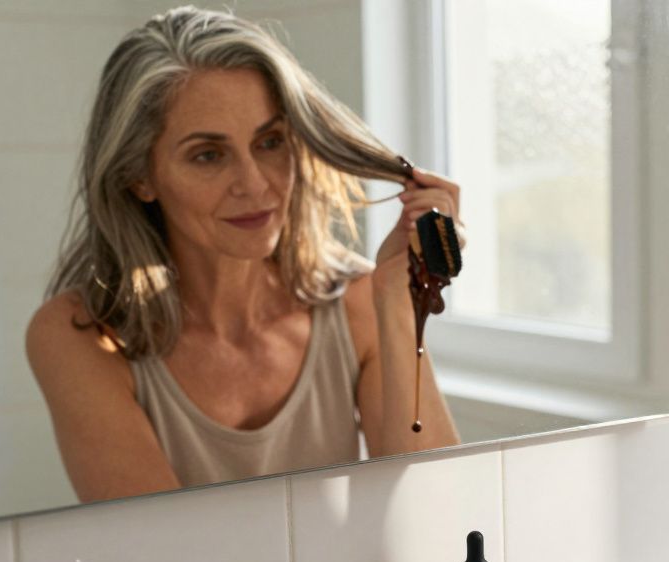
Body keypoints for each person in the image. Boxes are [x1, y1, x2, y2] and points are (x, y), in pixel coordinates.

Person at [26, 6, 461, 503]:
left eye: (270, 141)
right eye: (208, 155)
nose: (255, 184)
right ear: (139, 176)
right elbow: (159, 558)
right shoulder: (79, 335)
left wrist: (398, 300)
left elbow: (434, 512)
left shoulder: (359, 302)